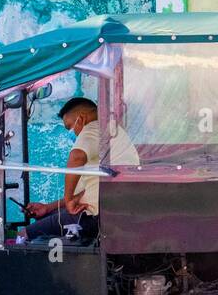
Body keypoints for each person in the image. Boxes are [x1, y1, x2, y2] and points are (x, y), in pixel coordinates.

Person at [22, 97, 135, 244]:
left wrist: (68, 200)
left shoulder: (94, 127)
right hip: (113, 211)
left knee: (24, 234)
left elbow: (76, 156)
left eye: (70, 127)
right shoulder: (112, 130)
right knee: (47, 217)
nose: (73, 132)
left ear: (81, 119)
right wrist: (48, 207)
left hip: (95, 217)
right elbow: (81, 194)